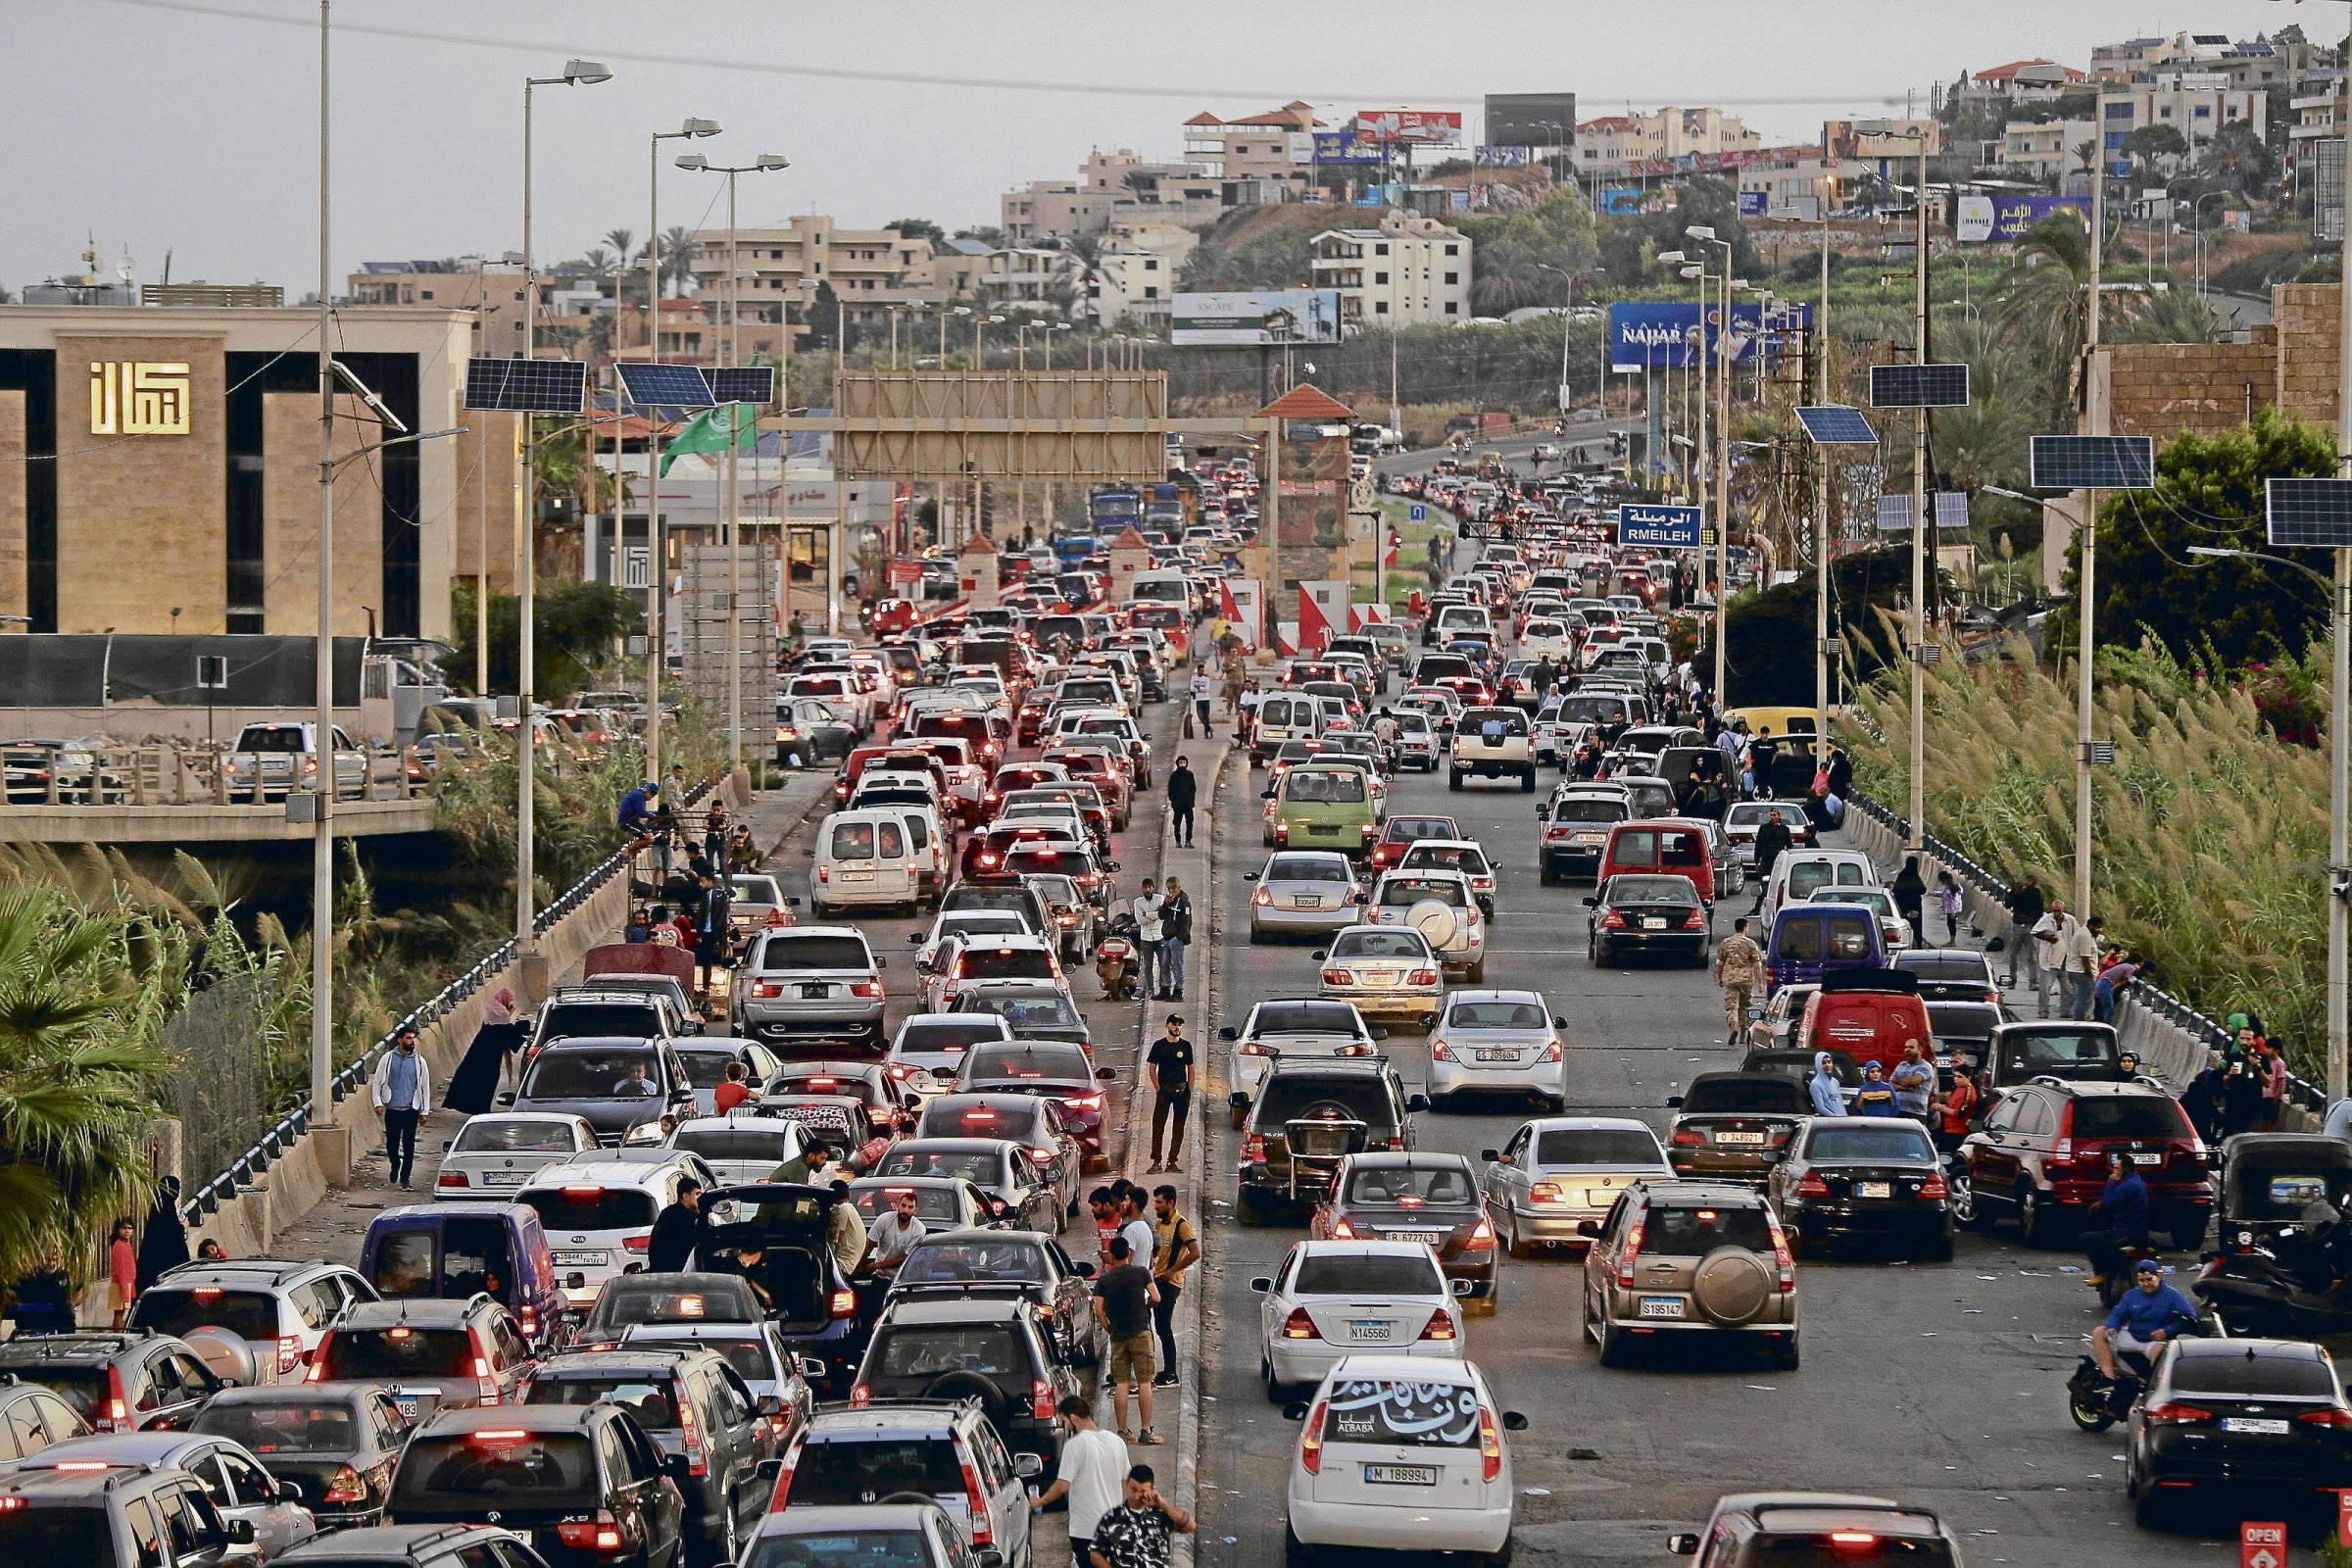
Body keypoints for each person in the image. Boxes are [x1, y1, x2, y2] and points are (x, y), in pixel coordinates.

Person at [1033, 1394, 1129, 1568]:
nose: (1066, 1425)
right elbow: (1128, 1480)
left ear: (1074, 1418)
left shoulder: (1074, 1446)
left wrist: (1039, 1502)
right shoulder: (1117, 1442)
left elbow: (1062, 1486)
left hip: (1086, 1529)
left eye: (1065, 1421)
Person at [1094, 1237, 1159, 1443]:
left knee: (1121, 1382)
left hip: (1118, 1336)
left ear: (1111, 1256)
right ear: (1128, 1254)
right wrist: (1144, 1308)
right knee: (1144, 1381)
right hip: (1140, 1331)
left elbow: (1098, 1310)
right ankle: (1145, 1430)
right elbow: (1156, 1298)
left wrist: (1109, 1328)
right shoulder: (1140, 1272)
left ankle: (1121, 1431)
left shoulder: (1104, 1280)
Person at [2091, 1260, 2200, 1381]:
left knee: (2160, 1352)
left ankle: (2155, 1385)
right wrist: (2112, 1327)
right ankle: (2108, 1377)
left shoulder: (2172, 1296)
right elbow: (2118, 1315)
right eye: (2142, 1281)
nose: (2146, 1284)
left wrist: (2167, 1331)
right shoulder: (2131, 1295)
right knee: (2099, 1332)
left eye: (2149, 1279)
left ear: (2158, 1276)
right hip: (2133, 1337)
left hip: (2155, 1342)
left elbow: (2190, 1318)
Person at [1088, 1465, 1195, 1568]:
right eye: (1133, 1489)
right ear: (1126, 1485)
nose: (1136, 1496)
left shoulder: (1161, 1515)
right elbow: (1095, 1553)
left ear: (1152, 1490)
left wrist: (1163, 1504)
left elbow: (1190, 1526)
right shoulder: (1111, 1518)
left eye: (1143, 1491)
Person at [1148, 1185, 1198, 1391]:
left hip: (1171, 1282)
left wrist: (1172, 1270)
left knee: (1164, 1326)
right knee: (1159, 1326)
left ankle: (1171, 1372)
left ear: (1170, 1202)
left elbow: (1195, 1252)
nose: (1156, 1206)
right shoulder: (1159, 1224)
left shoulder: (1182, 1225)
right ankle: (1165, 1370)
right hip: (1158, 1280)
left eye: (1159, 1202)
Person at [369, 1026, 431, 1190]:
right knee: (392, 1144)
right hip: (393, 1109)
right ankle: (395, 1163)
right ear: (400, 1040)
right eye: (409, 1038)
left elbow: (424, 1086)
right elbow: (377, 1083)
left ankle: (405, 1179)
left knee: (409, 1144)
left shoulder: (419, 1062)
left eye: (413, 1038)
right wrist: (378, 1103)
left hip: (411, 1109)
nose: (412, 1041)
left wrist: (424, 1111)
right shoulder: (388, 1059)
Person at [445, 988, 523, 1115]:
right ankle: (481, 1110)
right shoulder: (502, 1014)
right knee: (487, 1084)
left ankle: (475, 1108)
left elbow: (501, 1035)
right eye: (511, 999)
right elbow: (509, 1037)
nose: (511, 1002)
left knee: (475, 1082)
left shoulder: (492, 1010)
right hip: (491, 1059)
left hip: (477, 1054)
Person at [2083, 1152, 2151, 1289]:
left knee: (2087, 1238)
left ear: (2124, 1169)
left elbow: (2109, 1204)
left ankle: (2101, 1273)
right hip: (2138, 1232)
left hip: (2125, 1234)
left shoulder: (2128, 1185)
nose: (2113, 1171)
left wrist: (2110, 1182)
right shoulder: (2136, 1182)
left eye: (2116, 1168)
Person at [1147, 1015, 1195, 1172]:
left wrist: (1189, 1089)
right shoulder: (1159, 1046)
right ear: (1167, 1025)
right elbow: (1152, 1068)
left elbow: (1191, 1068)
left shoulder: (1186, 1046)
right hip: (1164, 1090)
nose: (1177, 1027)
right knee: (1158, 1126)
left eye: (1180, 1025)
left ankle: (1172, 1160)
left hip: (1181, 1091)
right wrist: (1158, 1088)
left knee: (1179, 1127)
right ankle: (1156, 1161)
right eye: (1174, 1024)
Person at [1713, 917, 1764, 1047]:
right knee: (1744, 1006)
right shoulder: (1751, 944)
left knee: (1732, 1006)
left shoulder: (1726, 943)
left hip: (1730, 979)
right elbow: (1757, 964)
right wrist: (1761, 982)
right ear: (1745, 928)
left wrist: (1719, 978)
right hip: (1746, 980)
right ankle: (1743, 1035)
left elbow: (1720, 963)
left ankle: (1733, 1027)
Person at [135, 1175, 189, 1294]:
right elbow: (168, 1236)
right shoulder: (163, 1209)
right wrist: (182, 1227)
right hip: (161, 1269)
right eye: (177, 1189)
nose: (178, 1193)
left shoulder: (162, 1207)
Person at [2031, 899, 2080, 1021]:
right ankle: (2043, 1011)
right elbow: (2034, 931)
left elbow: (2078, 933)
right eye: (2054, 910)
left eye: (2059, 910)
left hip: (2066, 960)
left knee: (2068, 988)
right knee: (2045, 987)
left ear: (2063, 910)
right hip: (2049, 960)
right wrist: (2047, 937)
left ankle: (2066, 1011)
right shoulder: (2046, 919)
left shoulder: (2070, 920)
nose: (2056, 913)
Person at [865, 1189, 927, 1278]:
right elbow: (869, 1245)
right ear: (898, 1205)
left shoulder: (919, 1229)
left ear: (915, 1210)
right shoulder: (884, 1219)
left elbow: (905, 1258)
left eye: (910, 1207)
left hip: (902, 1280)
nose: (905, 1210)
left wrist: (878, 1265)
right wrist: (858, 1268)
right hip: (880, 1276)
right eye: (903, 1205)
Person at [2004, 874, 2046, 999]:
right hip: (2017, 924)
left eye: (2030, 882)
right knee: (2013, 955)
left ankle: (2033, 982)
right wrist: (2018, 892)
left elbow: (2040, 909)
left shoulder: (2036, 893)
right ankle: (2012, 980)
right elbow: (2007, 903)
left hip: (2030, 926)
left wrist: (2035, 924)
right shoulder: (2017, 890)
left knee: (2032, 956)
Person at [647, 1181, 703, 1273]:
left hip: (659, 1270)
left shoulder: (667, 1212)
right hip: (679, 1272)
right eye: (697, 1194)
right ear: (685, 1196)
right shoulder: (689, 1218)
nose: (700, 1198)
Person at [1747, 810, 1792, 914]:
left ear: (1779, 816)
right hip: (1766, 861)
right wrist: (1756, 861)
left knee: (1778, 884)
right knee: (1764, 885)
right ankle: (1757, 908)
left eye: (1774, 815)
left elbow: (1789, 845)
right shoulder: (1764, 828)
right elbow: (1758, 845)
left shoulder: (1784, 829)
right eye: (1771, 815)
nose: (1772, 817)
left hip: (1778, 861)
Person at [1130, 879, 1166, 1002]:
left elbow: (1162, 914)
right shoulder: (1138, 902)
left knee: (1163, 964)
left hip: (1159, 936)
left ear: (1153, 888)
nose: (1148, 890)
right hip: (1146, 938)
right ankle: (1150, 990)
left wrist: (1148, 914)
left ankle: (1163, 989)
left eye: (1150, 887)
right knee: (1148, 966)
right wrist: (1154, 915)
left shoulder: (1160, 899)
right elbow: (1140, 921)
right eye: (1145, 887)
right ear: (1142, 889)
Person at [1933, 1067, 1982, 1155]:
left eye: (1959, 1077)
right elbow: (1952, 1106)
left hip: (1957, 1132)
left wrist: (1942, 1109)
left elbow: (1961, 1113)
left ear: (1968, 1078)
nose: (1956, 1079)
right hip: (1948, 1129)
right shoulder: (1958, 1088)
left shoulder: (1968, 1091)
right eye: (1955, 1076)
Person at [2064, 912, 2103, 1021]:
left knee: (2081, 997)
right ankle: (2079, 1021)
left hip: (2075, 970)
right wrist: (2090, 974)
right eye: (2098, 928)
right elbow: (2085, 957)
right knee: (2083, 998)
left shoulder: (2084, 933)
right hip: (2082, 972)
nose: (2100, 930)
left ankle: (2081, 1019)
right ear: (2091, 926)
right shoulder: (2085, 936)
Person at [1158, 877, 1192, 1001]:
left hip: (1176, 939)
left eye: (1173, 888)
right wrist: (1166, 904)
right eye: (1169, 889)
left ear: (1179, 887)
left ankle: (1178, 991)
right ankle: (1165, 989)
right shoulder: (1169, 901)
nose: (1171, 891)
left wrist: (1178, 938)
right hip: (1166, 937)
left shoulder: (1184, 903)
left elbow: (1186, 923)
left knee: (1176, 965)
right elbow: (1161, 916)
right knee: (1164, 964)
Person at [825, 1179, 866, 1280]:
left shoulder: (842, 1209)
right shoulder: (850, 1208)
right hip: (851, 1264)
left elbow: (836, 1237)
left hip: (841, 1265)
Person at [1888, 1041, 1936, 1123]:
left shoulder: (1926, 1066)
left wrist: (1898, 1081)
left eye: (1911, 1047)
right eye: (1906, 1047)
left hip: (1917, 1113)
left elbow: (1912, 1081)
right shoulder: (1901, 1065)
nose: (1907, 1049)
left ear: (1920, 1050)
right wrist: (1902, 1088)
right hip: (1898, 1110)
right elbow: (1890, 1084)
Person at [108, 1218, 136, 1329]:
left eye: (130, 1228)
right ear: (118, 1230)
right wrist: (125, 1292)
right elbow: (121, 1271)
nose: (127, 1231)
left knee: (122, 1313)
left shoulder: (127, 1245)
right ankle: (118, 1335)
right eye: (124, 1228)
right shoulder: (119, 1246)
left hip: (127, 1284)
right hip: (120, 1284)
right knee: (119, 1314)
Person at [1890, 856, 1928, 937]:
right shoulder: (1915, 877)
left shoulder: (1902, 875)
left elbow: (1896, 889)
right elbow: (1923, 890)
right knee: (1916, 928)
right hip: (1914, 907)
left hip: (1902, 906)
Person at [1164, 758, 1197, 851]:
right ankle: (1178, 840)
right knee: (1177, 823)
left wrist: (1191, 800)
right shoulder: (1174, 776)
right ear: (1177, 764)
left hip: (1187, 803)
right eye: (1180, 763)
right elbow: (1171, 789)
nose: (1182, 765)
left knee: (1189, 822)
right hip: (1178, 803)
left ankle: (1188, 840)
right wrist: (1173, 800)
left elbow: (1193, 788)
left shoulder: (1190, 775)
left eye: (1184, 763)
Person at [1808, 1052, 1847, 1117]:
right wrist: (1834, 1117)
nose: (1827, 1065)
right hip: (1830, 1122)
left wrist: (1844, 1116)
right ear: (1818, 1065)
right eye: (1823, 1063)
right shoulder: (1815, 1084)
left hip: (1843, 1120)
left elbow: (1840, 1102)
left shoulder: (1835, 1081)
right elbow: (1820, 1108)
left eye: (1829, 1062)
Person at [1934, 870, 1965, 948]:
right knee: (1950, 924)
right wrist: (1934, 893)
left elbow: (1956, 901)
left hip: (1952, 910)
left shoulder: (1953, 888)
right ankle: (1951, 940)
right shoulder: (1949, 888)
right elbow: (1943, 894)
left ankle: (1952, 941)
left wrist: (1954, 912)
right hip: (1949, 909)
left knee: (1951, 924)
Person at [1188, 669, 1212, 735]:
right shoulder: (1194, 678)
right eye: (1201, 670)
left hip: (1206, 699)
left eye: (1203, 671)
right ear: (1198, 671)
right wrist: (1201, 689)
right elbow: (1192, 688)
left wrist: (1198, 688)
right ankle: (1209, 728)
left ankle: (1207, 732)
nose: (1202, 672)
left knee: (1206, 717)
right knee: (1201, 717)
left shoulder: (1206, 679)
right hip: (1199, 700)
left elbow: (1207, 689)